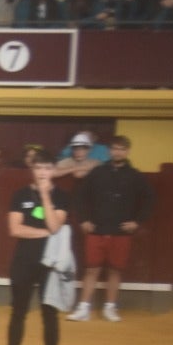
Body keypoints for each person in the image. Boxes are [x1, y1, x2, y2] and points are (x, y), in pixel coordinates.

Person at [0, 152, 69, 345]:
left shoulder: (62, 197)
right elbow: (15, 229)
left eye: (47, 168)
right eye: (39, 168)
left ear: (53, 170)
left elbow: (56, 226)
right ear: (33, 169)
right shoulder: (20, 195)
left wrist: (46, 196)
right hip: (24, 259)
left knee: (50, 313)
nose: (42, 172)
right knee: (18, 311)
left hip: (50, 263)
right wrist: (45, 233)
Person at [67, 135, 155, 324]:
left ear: (128, 151)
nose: (118, 152)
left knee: (115, 270)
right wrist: (83, 220)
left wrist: (137, 222)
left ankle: (110, 307)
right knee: (91, 269)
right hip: (97, 228)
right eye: (115, 148)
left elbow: (149, 200)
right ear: (109, 150)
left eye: (121, 149)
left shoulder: (135, 176)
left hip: (121, 230)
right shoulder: (97, 172)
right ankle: (83, 307)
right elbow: (80, 197)